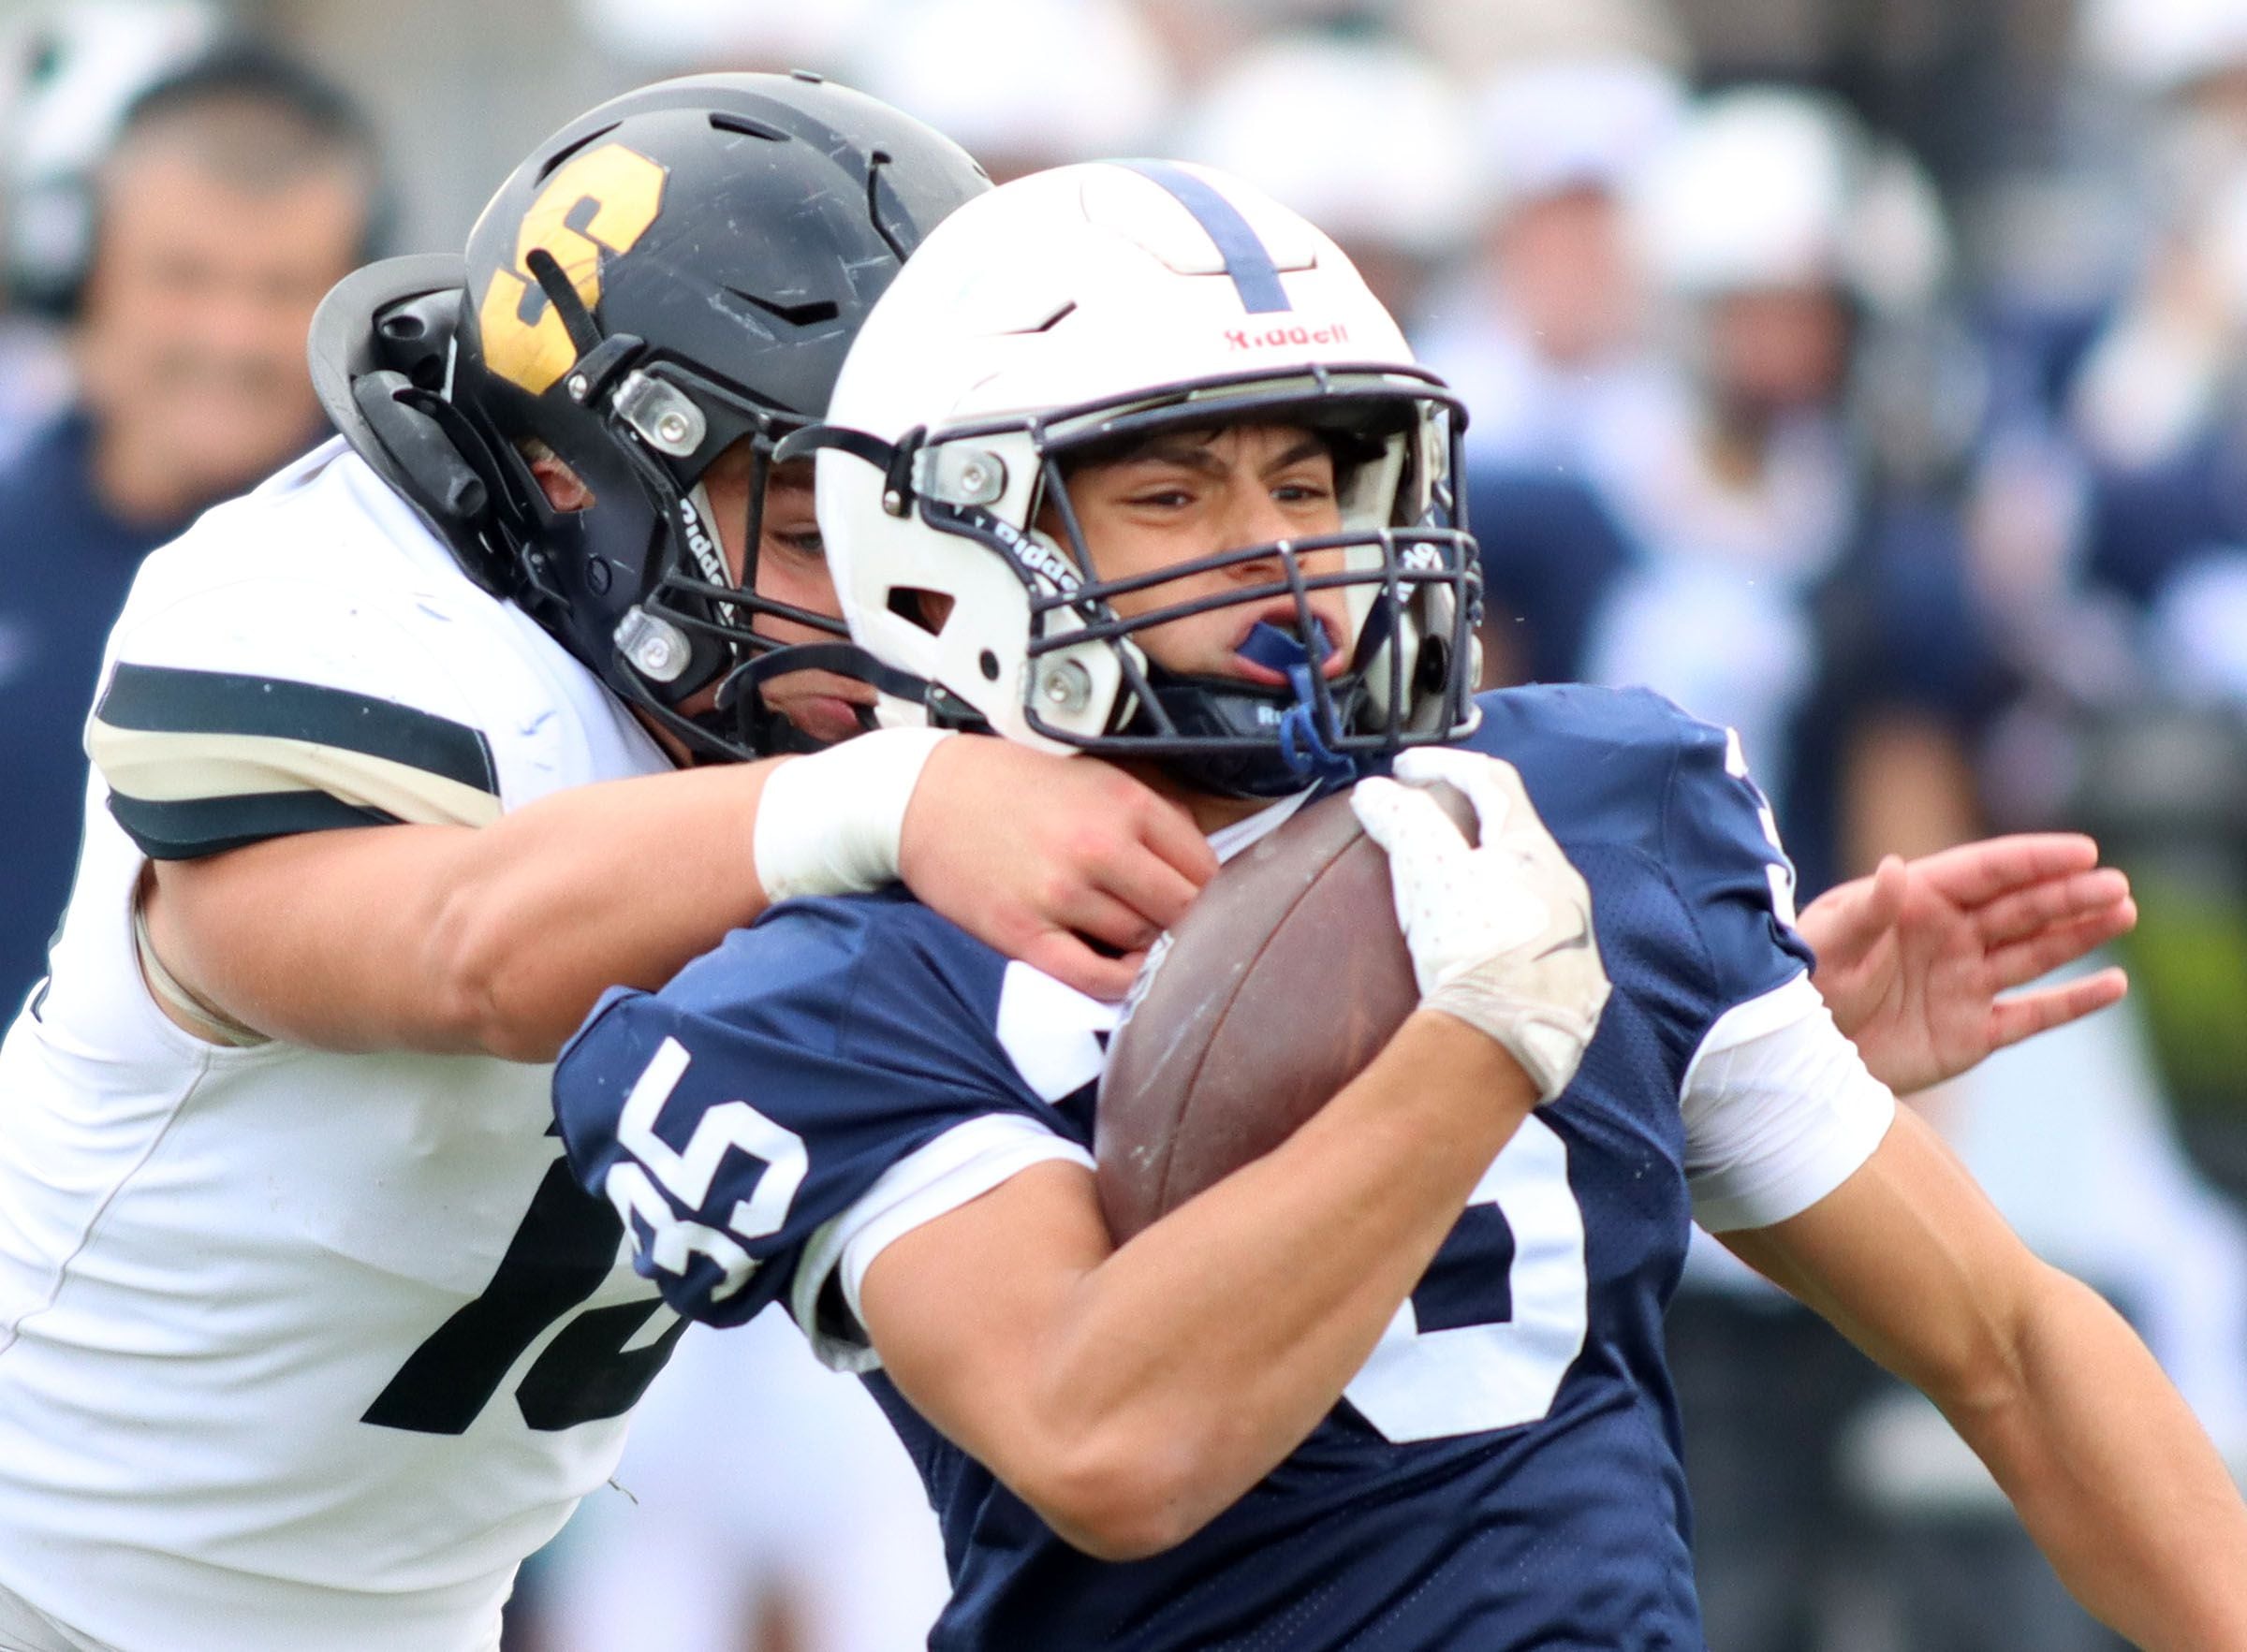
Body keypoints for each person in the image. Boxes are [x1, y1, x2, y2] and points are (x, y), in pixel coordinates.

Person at [555, 162, 2245, 1649]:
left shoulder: (1593, 807)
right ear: (945, 542)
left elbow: (2009, 1344)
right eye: (1171, 495)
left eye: (1309, 484)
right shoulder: (836, 981)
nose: (1278, 552)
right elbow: (1107, 1441)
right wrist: (1480, 1044)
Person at [0, 78, 1218, 1652]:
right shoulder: (337, 602)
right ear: (582, 474)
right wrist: (887, 801)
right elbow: (463, 943)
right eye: (809, 535)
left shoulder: (856, 752)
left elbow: (1075, 1385)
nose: (892, 613)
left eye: (932, 530)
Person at [0, 40, 383, 1005]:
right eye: (184, 277)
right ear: (84, 275)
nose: (230, 337)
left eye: (278, 288)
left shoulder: (426, 585)